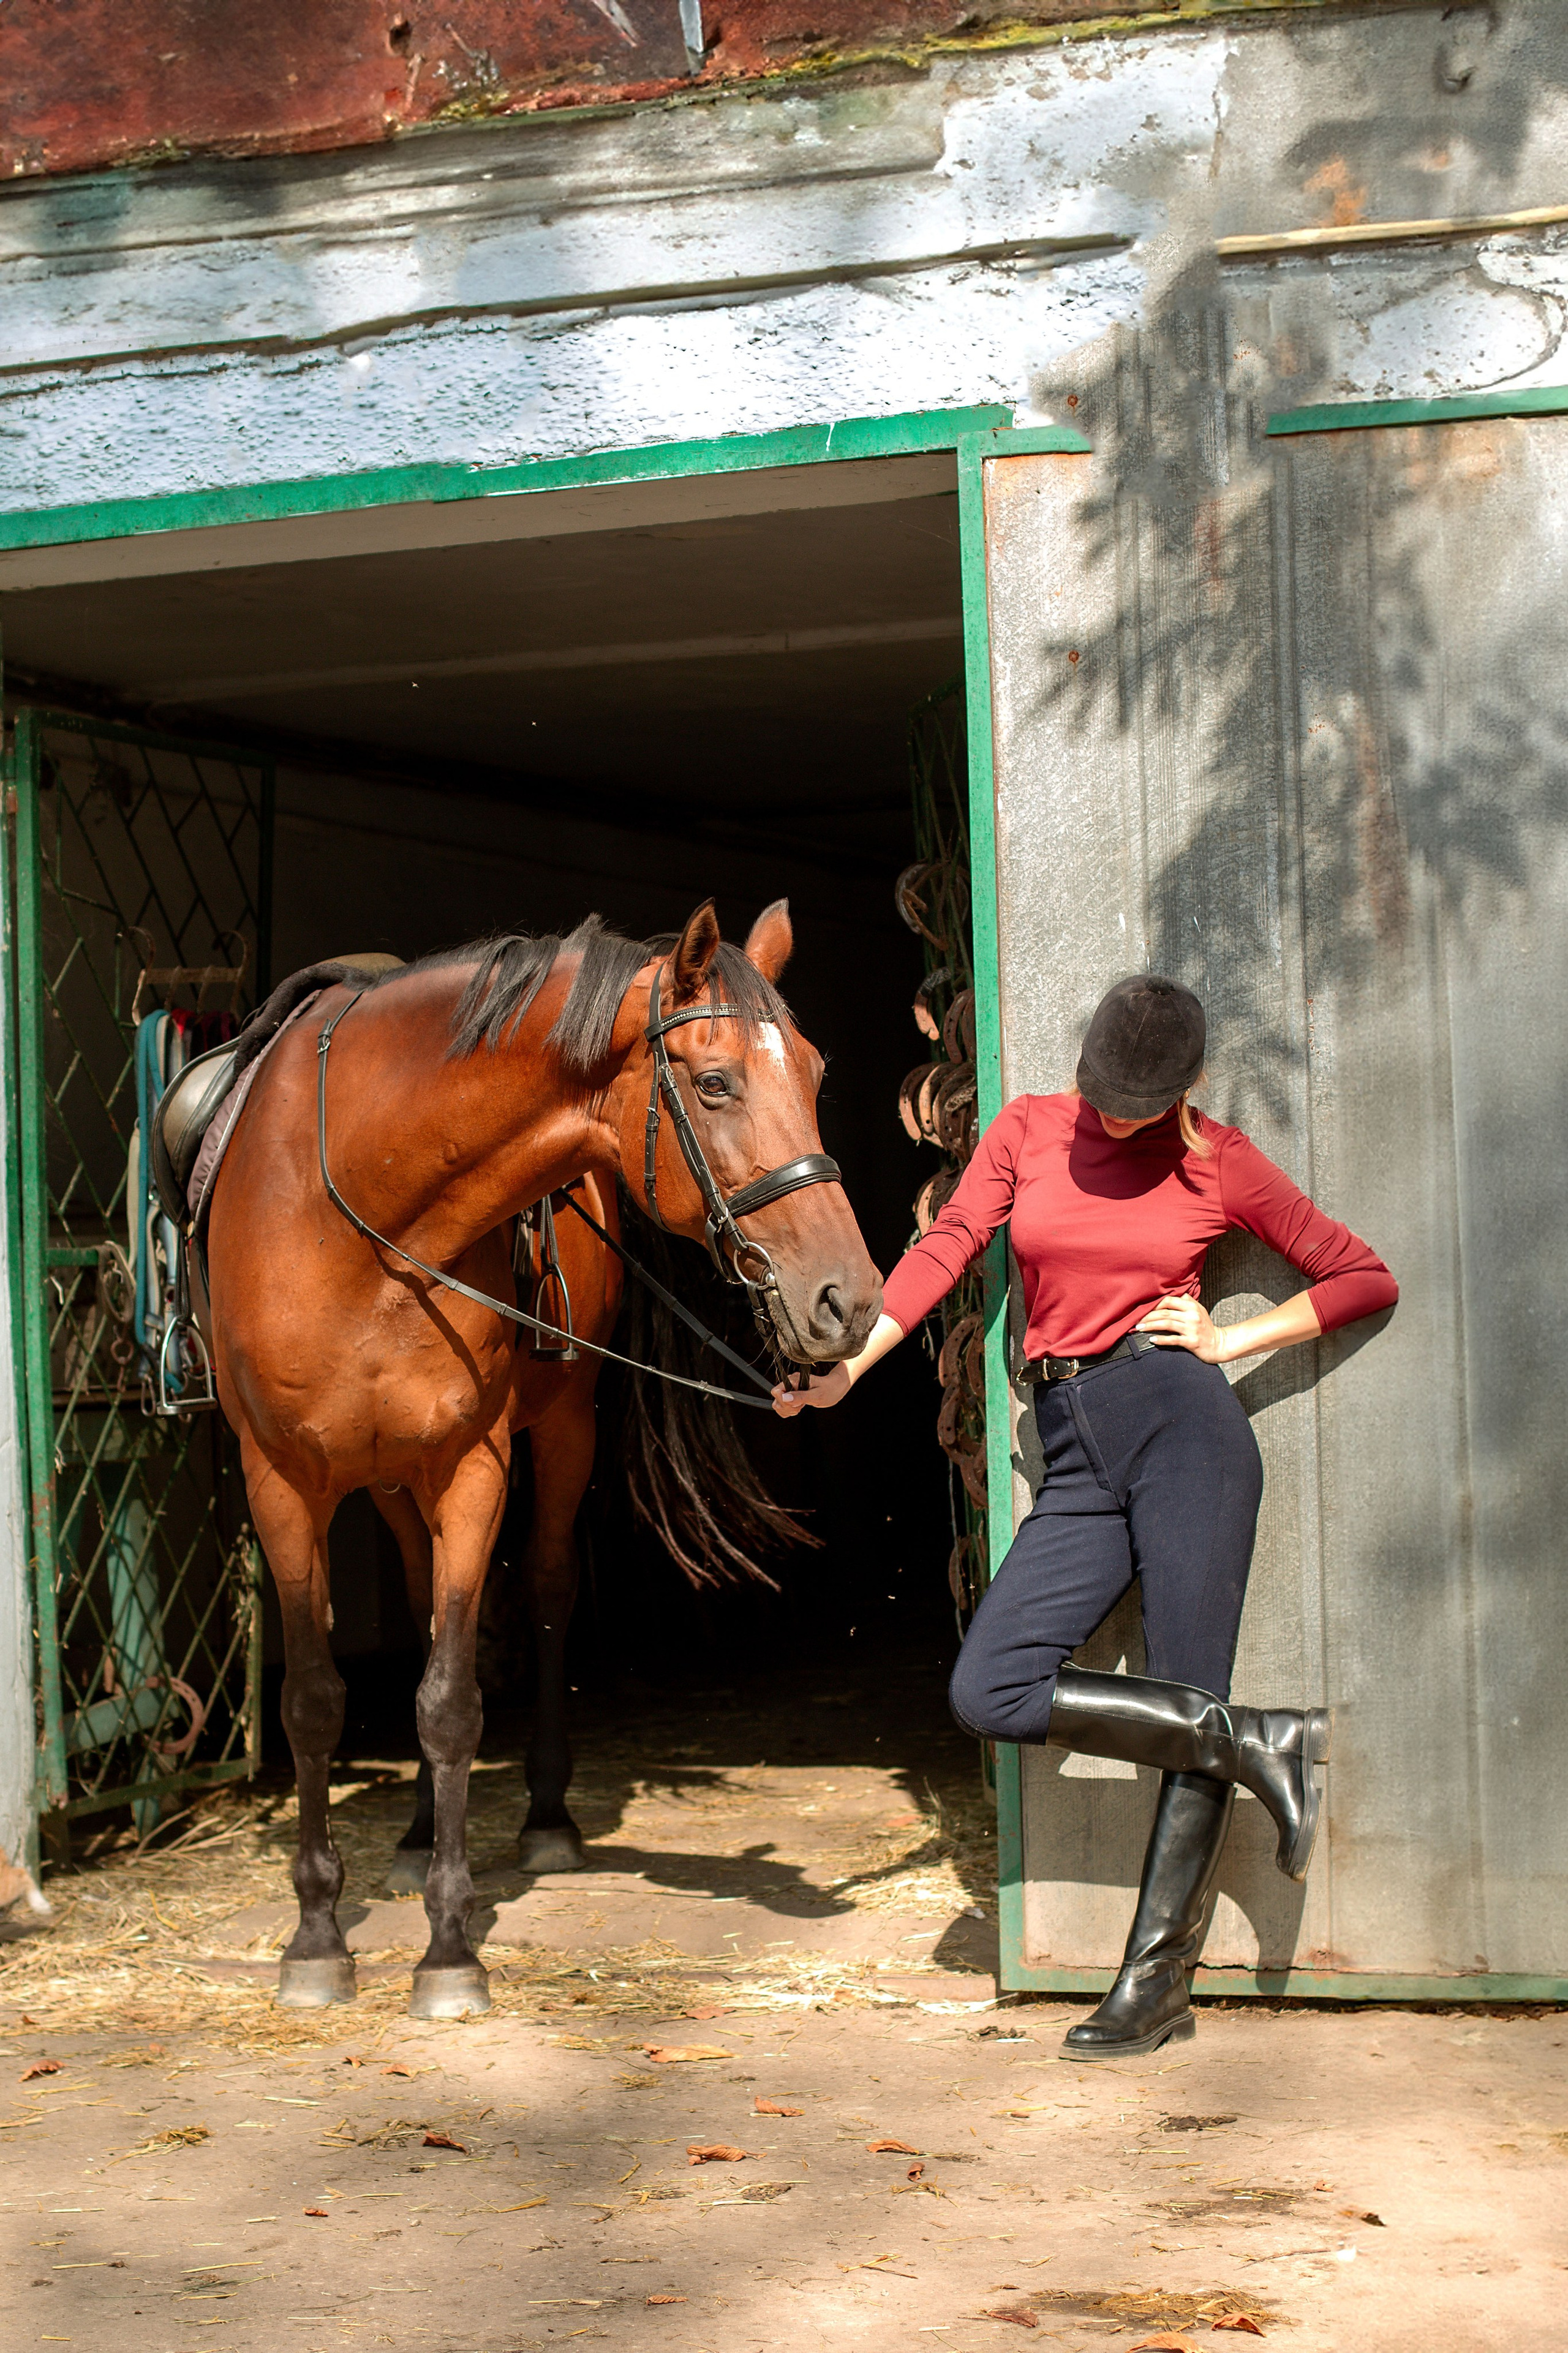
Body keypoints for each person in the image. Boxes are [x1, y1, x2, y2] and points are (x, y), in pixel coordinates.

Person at [774, 975, 1396, 2059]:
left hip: (1181, 1430)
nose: (1112, 1113)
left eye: (1137, 1099)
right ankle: (1262, 1741)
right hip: (1074, 1442)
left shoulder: (1220, 1161)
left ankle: (1155, 1985)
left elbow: (1363, 1276)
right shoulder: (1027, 1131)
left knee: (1187, 1692)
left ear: (1185, 1086)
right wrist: (847, 1373)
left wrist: (1228, 1340)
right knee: (989, 1683)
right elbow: (947, 1248)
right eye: (1102, 1088)